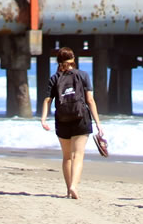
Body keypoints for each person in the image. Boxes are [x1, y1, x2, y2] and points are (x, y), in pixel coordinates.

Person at [39, 47, 103, 199]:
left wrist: (43, 118)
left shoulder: (54, 78)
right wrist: (98, 123)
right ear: (73, 59)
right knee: (78, 155)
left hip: (62, 121)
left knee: (67, 156)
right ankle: (74, 185)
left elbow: (47, 100)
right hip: (81, 119)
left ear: (59, 61)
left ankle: (69, 189)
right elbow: (90, 100)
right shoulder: (83, 75)